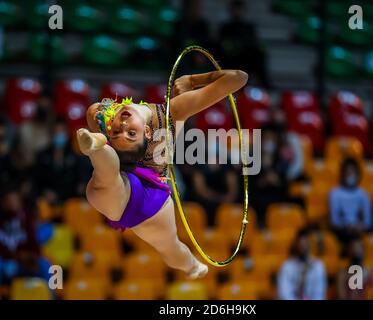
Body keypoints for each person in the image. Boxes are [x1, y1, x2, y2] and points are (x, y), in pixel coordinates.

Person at [79, 69, 248, 278]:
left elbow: (240, 78)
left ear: (149, 133)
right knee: (108, 177)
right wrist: (193, 81)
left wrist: (194, 79)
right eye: (127, 133)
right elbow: (239, 79)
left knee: (171, 248)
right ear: (148, 133)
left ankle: (192, 267)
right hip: (119, 188)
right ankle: (95, 146)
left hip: (151, 201)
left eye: (124, 132)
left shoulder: (109, 116)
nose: (122, 125)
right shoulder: (169, 115)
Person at [34, 117, 91, 204]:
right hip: (48, 202)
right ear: (52, 133)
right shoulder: (43, 155)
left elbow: (80, 182)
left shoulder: (75, 155)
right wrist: (45, 192)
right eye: (56, 131)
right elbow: (37, 180)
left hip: (70, 202)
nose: (59, 134)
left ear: (66, 133)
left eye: (61, 131)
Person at [218, 0, 269, 87]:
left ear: (243, 10)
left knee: (258, 55)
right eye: (235, 9)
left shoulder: (249, 27)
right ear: (231, 10)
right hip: (232, 57)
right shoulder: (225, 27)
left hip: (247, 56)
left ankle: (265, 84)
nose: (237, 12)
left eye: (239, 9)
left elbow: (253, 42)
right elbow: (223, 44)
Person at [329, 158, 373, 244]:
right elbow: (334, 221)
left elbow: (368, 221)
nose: (350, 175)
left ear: (358, 174)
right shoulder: (334, 193)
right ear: (343, 174)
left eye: (352, 172)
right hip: (342, 233)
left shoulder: (364, 194)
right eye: (347, 172)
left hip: (360, 233)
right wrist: (346, 226)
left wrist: (359, 227)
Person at [277, 228, 327, 300]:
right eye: (301, 244)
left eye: (305, 244)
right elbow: (284, 294)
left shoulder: (318, 265)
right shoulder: (287, 266)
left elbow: (319, 294)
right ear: (296, 245)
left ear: (310, 244)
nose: (303, 247)